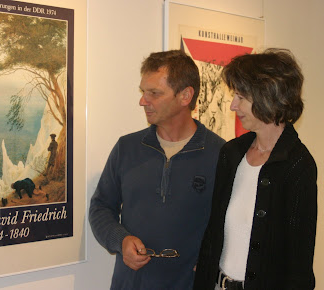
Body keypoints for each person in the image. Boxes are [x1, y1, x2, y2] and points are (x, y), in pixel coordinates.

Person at [89, 50, 225, 289]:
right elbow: (100, 208)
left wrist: (215, 257)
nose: (143, 100)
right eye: (143, 92)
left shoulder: (221, 154)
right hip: (130, 283)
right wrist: (121, 241)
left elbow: (233, 223)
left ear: (185, 96)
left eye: (154, 93)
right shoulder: (126, 148)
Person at [193, 48, 317, 290]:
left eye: (241, 97)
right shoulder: (231, 153)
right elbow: (213, 234)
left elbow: (299, 259)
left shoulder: (298, 164)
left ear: (268, 97)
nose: (232, 106)